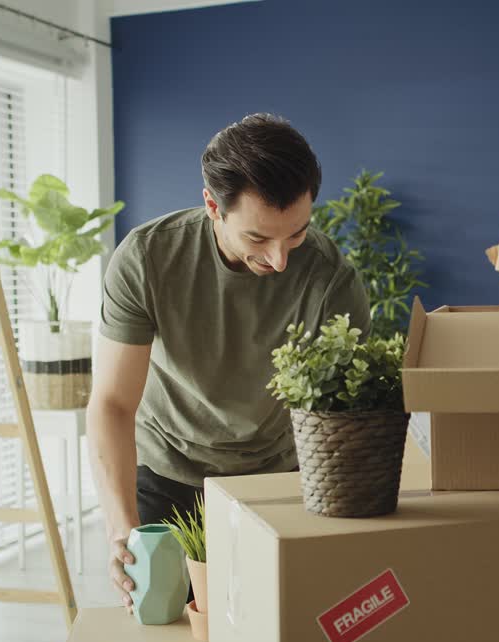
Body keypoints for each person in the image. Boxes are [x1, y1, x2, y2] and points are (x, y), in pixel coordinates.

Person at [89, 113, 370, 611]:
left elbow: (347, 418)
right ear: (212, 207)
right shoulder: (147, 259)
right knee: (177, 641)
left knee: (273, 629)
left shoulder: (330, 276)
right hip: (167, 473)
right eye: (259, 239)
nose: (280, 259)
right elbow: (112, 403)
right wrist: (121, 529)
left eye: (297, 234)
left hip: (277, 476)